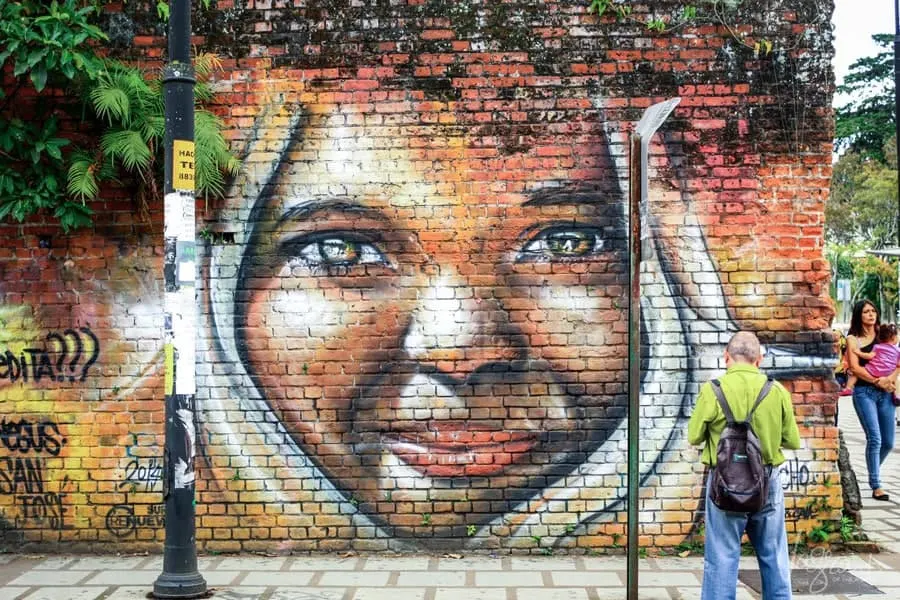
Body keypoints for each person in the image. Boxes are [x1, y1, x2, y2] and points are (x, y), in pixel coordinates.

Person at [688, 331, 800, 600]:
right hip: (767, 481)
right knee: (773, 554)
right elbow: (792, 440)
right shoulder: (777, 391)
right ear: (759, 360)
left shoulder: (713, 389)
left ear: (727, 357)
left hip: (724, 483)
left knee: (722, 557)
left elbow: (694, 436)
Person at [846, 300, 897, 501]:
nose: (871, 314)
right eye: (866, 311)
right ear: (859, 315)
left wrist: (889, 380)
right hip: (864, 392)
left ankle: (871, 472)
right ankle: (876, 485)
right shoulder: (853, 339)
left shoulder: (885, 335)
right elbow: (855, 367)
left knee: (889, 442)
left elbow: (897, 361)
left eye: (873, 310)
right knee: (874, 438)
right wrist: (878, 380)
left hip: (887, 392)